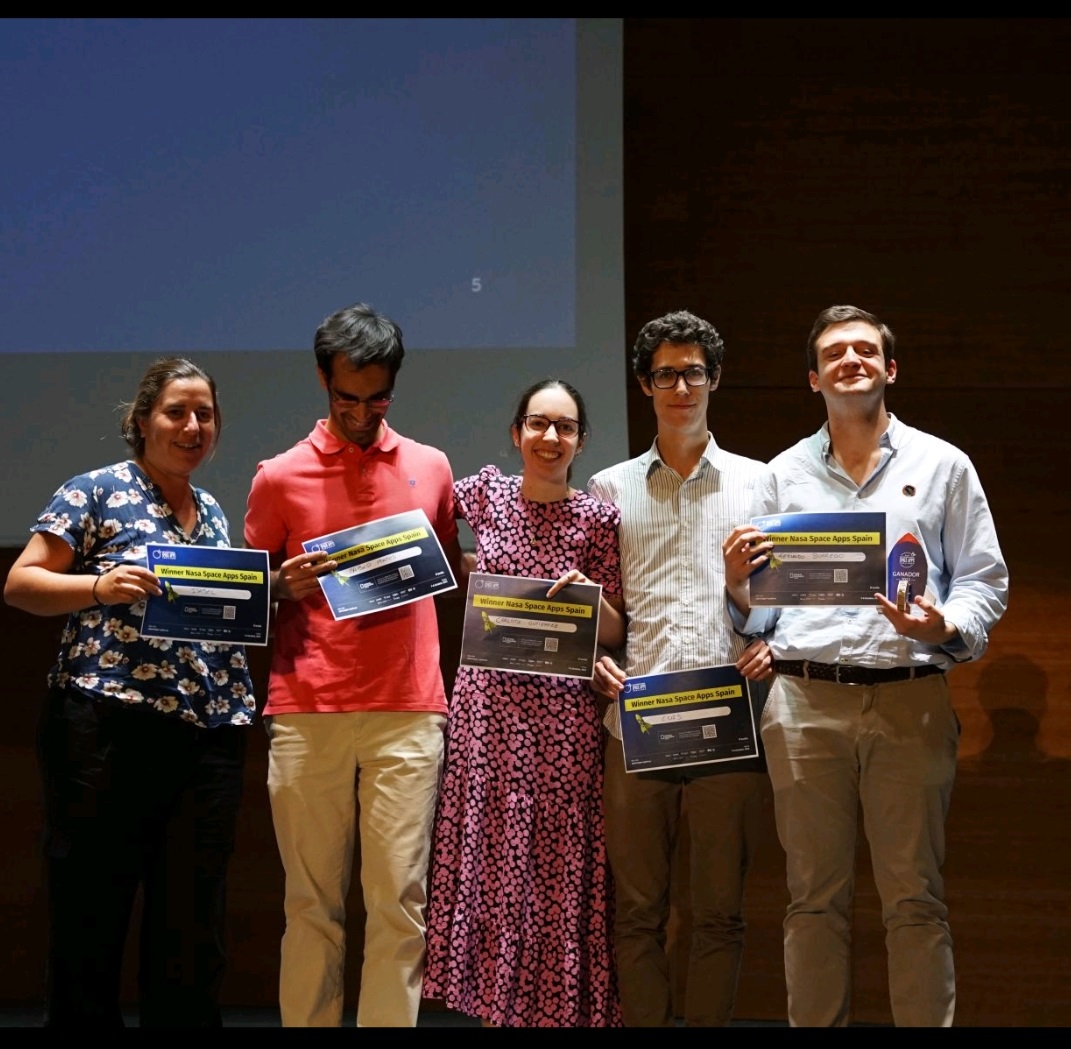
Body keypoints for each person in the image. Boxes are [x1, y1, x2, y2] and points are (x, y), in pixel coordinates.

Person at [722, 304, 1008, 1027]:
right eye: (833, 352)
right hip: (804, 703)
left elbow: (984, 578)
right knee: (812, 898)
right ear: (812, 377)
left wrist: (943, 622)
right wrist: (735, 585)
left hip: (910, 696)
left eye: (864, 349)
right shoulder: (781, 473)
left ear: (889, 368)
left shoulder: (943, 464)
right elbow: (760, 612)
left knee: (914, 896)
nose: (850, 359)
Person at [4, 358, 255, 1028]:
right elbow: (21, 583)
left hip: (206, 737)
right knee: (92, 918)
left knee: (190, 931)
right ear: (142, 420)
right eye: (177, 411)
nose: (193, 425)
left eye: (205, 413)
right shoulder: (94, 491)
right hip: (106, 733)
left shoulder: (212, 510)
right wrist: (99, 585)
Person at [244, 302, 461, 1028]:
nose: (362, 412)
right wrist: (282, 583)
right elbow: (247, 594)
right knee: (312, 905)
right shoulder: (277, 476)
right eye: (347, 398)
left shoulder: (430, 466)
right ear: (322, 381)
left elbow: (451, 571)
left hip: (408, 710)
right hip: (306, 711)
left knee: (400, 902)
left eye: (376, 399)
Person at [588, 310, 773, 1027]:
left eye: (693, 371)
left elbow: (780, 606)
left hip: (728, 716)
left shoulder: (762, 485)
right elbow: (604, 611)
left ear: (714, 379)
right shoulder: (608, 488)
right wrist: (598, 660)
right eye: (665, 373)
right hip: (635, 721)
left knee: (719, 913)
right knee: (636, 912)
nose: (680, 385)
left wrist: (769, 640)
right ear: (644, 385)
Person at [422, 378, 626, 1027]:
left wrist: (589, 596)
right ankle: (494, 1010)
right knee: (492, 861)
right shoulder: (483, 494)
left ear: (580, 441)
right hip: (488, 720)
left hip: (563, 722)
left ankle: (554, 1011)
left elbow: (618, 627)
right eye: (537, 423)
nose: (549, 437)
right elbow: (419, 511)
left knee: (556, 867)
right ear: (516, 433)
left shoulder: (596, 519)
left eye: (564, 427)